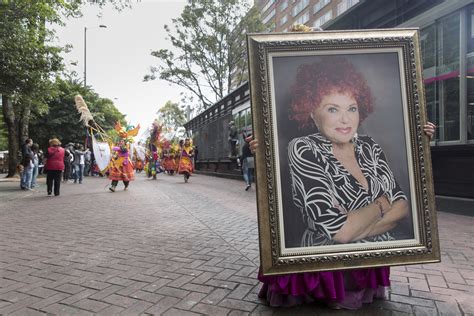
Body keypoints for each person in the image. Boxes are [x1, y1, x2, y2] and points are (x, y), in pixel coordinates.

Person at [248, 56, 437, 309]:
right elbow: (341, 231)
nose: (345, 120)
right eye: (332, 109)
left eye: (352, 108)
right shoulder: (304, 148)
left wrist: (355, 224)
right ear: (312, 112)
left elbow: (402, 207)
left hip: (369, 256)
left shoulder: (369, 146)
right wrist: (382, 204)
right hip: (322, 259)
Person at [108, 122, 140, 192]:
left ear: (124, 142)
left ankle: (126, 185)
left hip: (125, 162)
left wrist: (115, 148)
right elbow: (116, 153)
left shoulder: (126, 146)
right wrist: (114, 156)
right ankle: (113, 186)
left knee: (125, 176)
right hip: (118, 162)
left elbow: (123, 150)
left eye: (122, 141)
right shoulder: (118, 146)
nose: (121, 142)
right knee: (116, 175)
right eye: (120, 141)